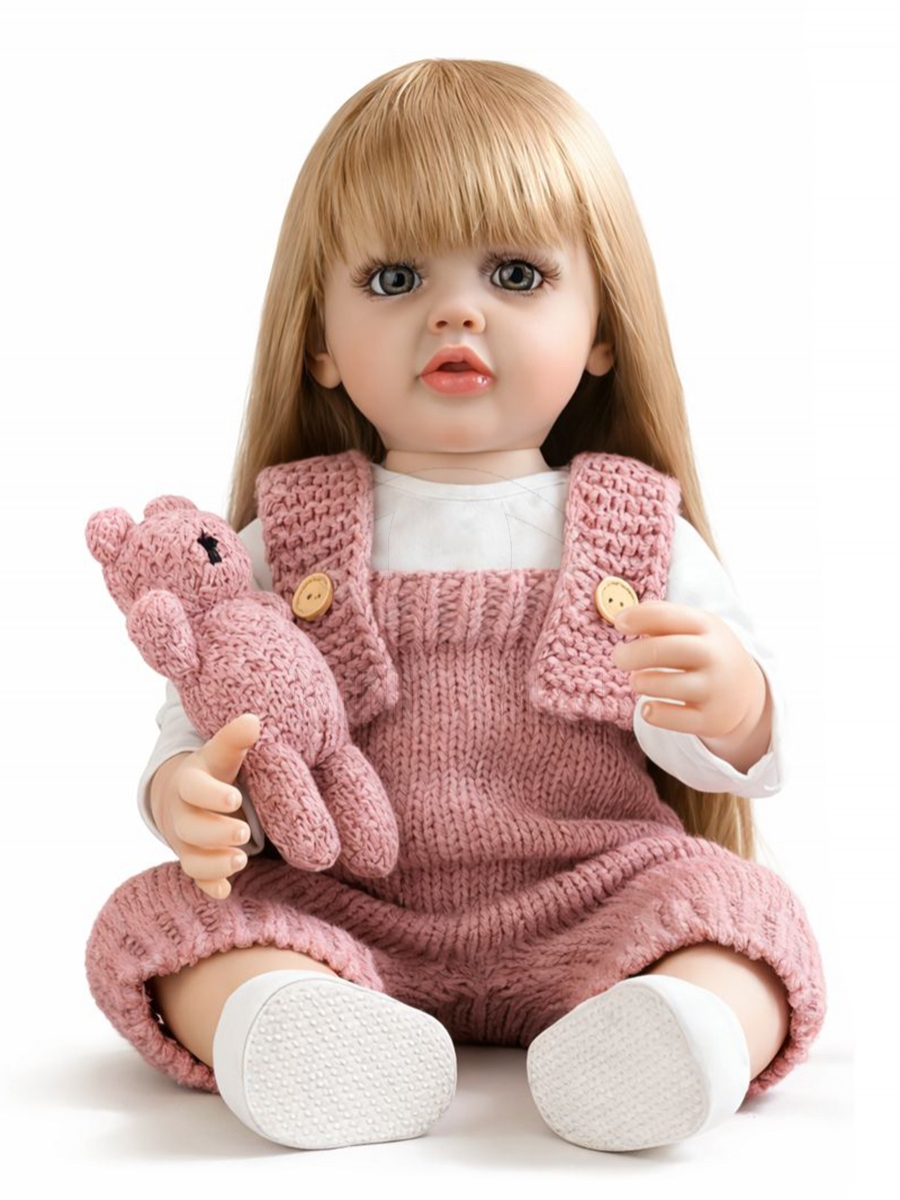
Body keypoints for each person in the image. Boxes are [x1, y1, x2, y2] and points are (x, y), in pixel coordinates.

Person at [86, 57, 826, 1154]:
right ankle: (295, 1027)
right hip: (346, 910)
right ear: (320, 341)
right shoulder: (283, 536)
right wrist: (189, 794)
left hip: (596, 896)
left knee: (743, 917)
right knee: (164, 921)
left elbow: (741, 758)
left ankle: (671, 1037)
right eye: (395, 280)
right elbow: (199, 719)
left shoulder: (635, 525)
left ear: (604, 329)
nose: (456, 312)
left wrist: (735, 704)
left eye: (517, 275)